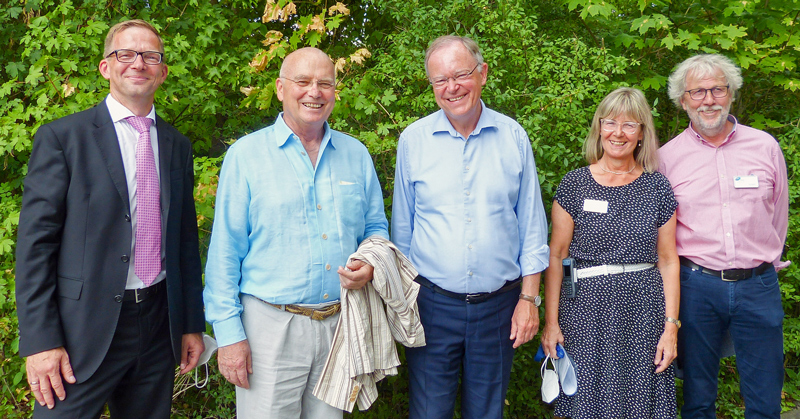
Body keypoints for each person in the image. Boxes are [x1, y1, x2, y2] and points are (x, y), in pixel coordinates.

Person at [15, 19, 205, 418]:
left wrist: (190, 323)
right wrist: (41, 340)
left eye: (150, 55)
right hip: (80, 330)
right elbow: (35, 247)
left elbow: (185, 241)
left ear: (162, 71)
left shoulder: (176, 145)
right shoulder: (63, 139)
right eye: (126, 53)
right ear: (106, 66)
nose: (138, 62)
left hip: (158, 325)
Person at [203, 47, 390, 419]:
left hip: (340, 324)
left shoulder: (356, 154)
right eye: (302, 82)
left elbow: (375, 229)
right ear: (279, 89)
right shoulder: (246, 155)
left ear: (335, 91)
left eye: (325, 83)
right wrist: (229, 335)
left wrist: (370, 265)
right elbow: (225, 250)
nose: (314, 92)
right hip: (269, 328)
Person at [391, 35, 549, 419]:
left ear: (483, 73)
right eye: (440, 80)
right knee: (429, 412)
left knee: (487, 413)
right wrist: (405, 303)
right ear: (431, 87)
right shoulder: (413, 141)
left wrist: (529, 300)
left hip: (500, 306)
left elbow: (531, 227)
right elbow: (402, 231)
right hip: (430, 306)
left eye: (460, 74)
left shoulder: (513, 137)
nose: (452, 87)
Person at [659, 54, 790, 419]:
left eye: (717, 89)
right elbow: (662, 233)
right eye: (697, 92)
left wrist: (768, 262)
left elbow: (778, 214)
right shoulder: (666, 158)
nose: (708, 99)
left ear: (731, 94)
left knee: (765, 398)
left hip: (759, 285)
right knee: (698, 398)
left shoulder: (765, 147)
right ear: (683, 100)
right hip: (696, 287)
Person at [541, 87, 680, 418]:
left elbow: (668, 259)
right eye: (611, 123)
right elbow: (556, 255)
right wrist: (551, 322)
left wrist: (671, 326)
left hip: (644, 313)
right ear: (598, 127)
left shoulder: (657, 187)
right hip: (584, 312)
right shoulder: (574, 184)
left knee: (641, 402)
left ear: (642, 133)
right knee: (586, 400)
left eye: (630, 125)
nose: (618, 133)